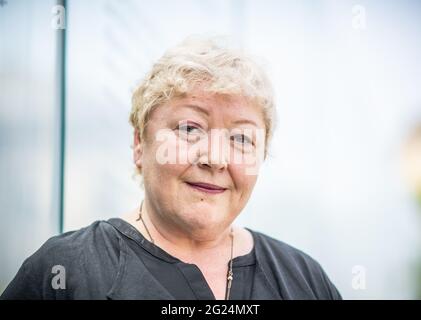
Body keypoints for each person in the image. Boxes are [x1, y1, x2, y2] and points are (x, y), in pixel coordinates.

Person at [1, 35, 342, 300]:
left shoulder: (304, 279)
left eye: (241, 138)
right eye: (189, 129)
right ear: (139, 143)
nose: (215, 158)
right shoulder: (65, 272)